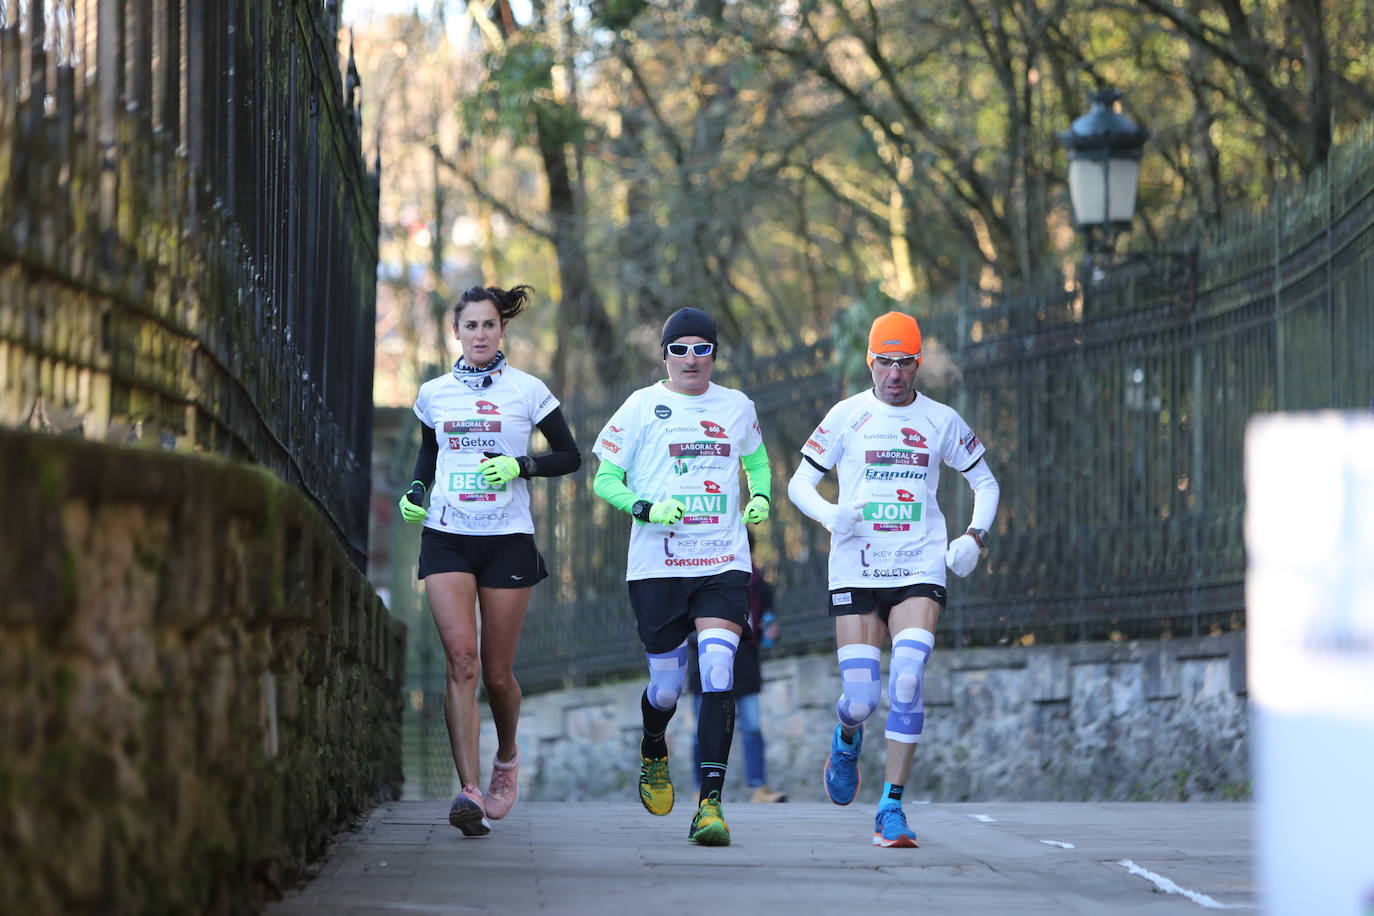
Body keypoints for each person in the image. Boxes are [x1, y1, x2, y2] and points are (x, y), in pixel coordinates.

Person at [787, 310, 999, 848]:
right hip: (857, 563)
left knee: (906, 680)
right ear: (870, 361)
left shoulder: (941, 420)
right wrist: (829, 515)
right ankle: (847, 734)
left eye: (905, 363)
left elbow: (986, 484)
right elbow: (797, 486)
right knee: (861, 697)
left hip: (918, 564)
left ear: (918, 364)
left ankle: (891, 808)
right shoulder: (845, 416)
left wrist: (974, 537)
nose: (895, 374)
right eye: (886, 362)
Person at [398, 284, 581, 837]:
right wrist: (415, 490)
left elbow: (570, 455)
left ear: (503, 331)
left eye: (489, 325)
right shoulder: (435, 393)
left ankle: (505, 760)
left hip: (507, 539)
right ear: (456, 331)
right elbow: (429, 453)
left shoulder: (528, 391)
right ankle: (470, 791)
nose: (480, 334)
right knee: (462, 662)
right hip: (447, 536)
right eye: (470, 326)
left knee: (497, 674)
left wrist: (521, 466)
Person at [592, 307, 772, 847]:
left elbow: (758, 463)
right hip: (658, 567)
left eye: (702, 348)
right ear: (664, 355)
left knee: (719, 671)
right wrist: (644, 508)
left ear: (714, 354)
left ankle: (711, 805)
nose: (691, 359)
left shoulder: (737, 406)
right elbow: (604, 477)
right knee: (667, 689)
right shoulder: (642, 406)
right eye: (680, 349)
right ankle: (654, 746)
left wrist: (759, 494)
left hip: (721, 561)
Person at [687, 532, 787, 804]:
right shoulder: (700, 575)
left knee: (753, 728)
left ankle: (759, 788)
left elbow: (768, 624)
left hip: (746, 666)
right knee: (703, 729)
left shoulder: (758, 583)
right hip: (706, 666)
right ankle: (700, 788)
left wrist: (771, 632)